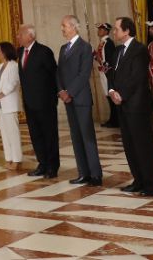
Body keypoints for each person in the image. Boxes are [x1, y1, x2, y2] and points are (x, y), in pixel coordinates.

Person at [107, 17, 153, 196]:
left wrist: (121, 94)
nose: (114, 32)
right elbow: (111, 74)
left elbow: (137, 76)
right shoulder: (116, 51)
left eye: (116, 29)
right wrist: (112, 90)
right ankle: (138, 180)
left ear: (127, 30)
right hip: (122, 105)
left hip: (137, 105)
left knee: (144, 146)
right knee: (130, 146)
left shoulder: (139, 50)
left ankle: (151, 185)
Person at [56, 15, 102, 186]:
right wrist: (61, 90)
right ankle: (83, 173)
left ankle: (95, 174)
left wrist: (70, 92)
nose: (62, 29)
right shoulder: (63, 48)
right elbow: (58, 72)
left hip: (80, 98)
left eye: (64, 25)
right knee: (76, 137)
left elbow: (84, 74)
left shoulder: (85, 47)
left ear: (74, 27)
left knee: (87, 136)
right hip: (67, 99)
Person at [16, 23, 59, 178]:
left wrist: (54, 97)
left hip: (45, 102)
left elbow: (54, 75)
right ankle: (42, 163)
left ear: (30, 36)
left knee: (49, 134)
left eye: (20, 34)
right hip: (29, 102)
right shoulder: (20, 51)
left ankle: (52, 167)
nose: (18, 37)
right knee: (35, 135)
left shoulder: (44, 51)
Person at [0, 42, 22, 170]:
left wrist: (0, 95)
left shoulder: (14, 66)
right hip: (0, 105)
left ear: (6, 51)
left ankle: (17, 160)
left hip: (9, 102)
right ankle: (8, 158)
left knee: (13, 133)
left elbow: (13, 82)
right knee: (4, 133)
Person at [94, 23, 120, 128]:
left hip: (108, 72)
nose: (99, 31)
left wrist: (107, 69)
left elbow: (110, 59)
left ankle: (115, 120)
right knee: (107, 94)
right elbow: (101, 58)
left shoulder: (108, 43)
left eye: (101, 29)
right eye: (99, 29)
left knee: (111, 94)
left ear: (106, 31)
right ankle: (113, 118)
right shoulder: (102, 42)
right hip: (103, 72)